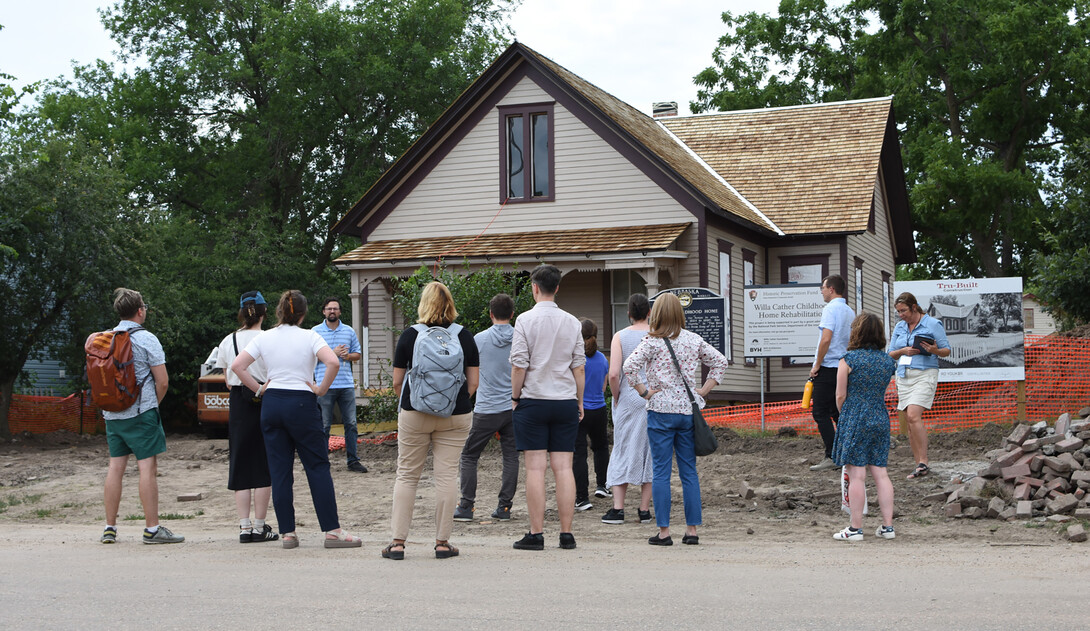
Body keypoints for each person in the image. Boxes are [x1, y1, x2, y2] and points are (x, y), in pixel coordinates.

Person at [231, 290, 361, 549]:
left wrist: (259, 389)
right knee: (316, 466)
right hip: (302, 402)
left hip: (272, 403)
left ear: (279, 312)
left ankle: (288, 533)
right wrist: (321, 389)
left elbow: (237, 366)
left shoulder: (265, 337)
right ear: (302, 314)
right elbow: (333, 362)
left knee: (280, 472)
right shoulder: (310, 336)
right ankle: (332, 531)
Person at [623, 292, 728, 546]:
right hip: (687, 413)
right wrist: (704, 389)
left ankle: (664, 532)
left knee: (660, 471)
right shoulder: (694, 340)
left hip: (660, 411)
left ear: (656, 314)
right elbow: (720, 362)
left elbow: (629, 366)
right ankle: (692, 531)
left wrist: (644, 391)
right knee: (688, 471)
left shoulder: (651, 341)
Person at [385, 281, 479, 560]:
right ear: (450, 304)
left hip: (415, 413)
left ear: (423, 304)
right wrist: (452, 401)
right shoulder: (465, 337)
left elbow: (397, 383)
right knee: (447, 475)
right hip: (456, 414)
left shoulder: (409, 336)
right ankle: (441, 543)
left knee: (407, 475)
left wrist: (416, 403)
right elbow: (473, 383)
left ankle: (398, 543)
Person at [99, 288, 184, 545]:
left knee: (115, 467)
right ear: (139, 311)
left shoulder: (106, 338)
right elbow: (163, 382)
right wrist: (151, 406)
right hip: (141, 412)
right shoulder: (147, 339)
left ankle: (109, 528)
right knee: (147, 467)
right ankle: (152, 529)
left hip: (113, 413)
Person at [510, 264, 585, 551]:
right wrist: (578, 401)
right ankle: (567, 534)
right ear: (557, 288)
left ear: (535, 287)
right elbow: (579, 367)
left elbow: (519, 365)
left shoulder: (525, 320)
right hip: (564, 400)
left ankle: (536, 533)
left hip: (533, 400)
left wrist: (516, 397)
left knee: (535, 468)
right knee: (564, 467)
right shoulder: (572, 322)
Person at [215, 291, 278, 543]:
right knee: (264, 463)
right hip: (266, 396)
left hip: (239, 401)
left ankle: (244, 526)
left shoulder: (228, 340)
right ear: (264, 312)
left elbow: (227, 379)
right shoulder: (270, 339)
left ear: (242, 313)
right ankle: (260, 526)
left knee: (240, 461)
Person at [831, 312, 898, 541]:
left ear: (856, 332)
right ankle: (888, 527)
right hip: (880, 415)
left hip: (855, 416)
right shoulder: (888, 361)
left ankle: (855, 529)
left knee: (857, 474)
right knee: (881, 472)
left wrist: (846, 415)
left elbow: (840, 395)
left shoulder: (848, 360)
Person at [453, 294, 518, 523]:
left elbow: (465, 369)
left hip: (487, 407)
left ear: (491, 314)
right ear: (512, 314)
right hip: (513, 406)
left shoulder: (478, 339)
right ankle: (505, 508)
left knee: (469, 455)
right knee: (511, 457)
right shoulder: (521, 338)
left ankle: (466, 506)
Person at [602, 294, 654, 525]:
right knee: (650, 451)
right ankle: (644, 510)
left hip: (628, 396)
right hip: (653, 397)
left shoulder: (620, 336)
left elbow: (614, 373)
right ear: (649, 312)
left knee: (622, 448)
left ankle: (618, 508)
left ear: (629, 313)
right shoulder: (657, 335)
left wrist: (616, 395)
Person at [888, 292, 951, 480]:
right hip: (903, 376)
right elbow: (891, 353)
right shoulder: (900, 327)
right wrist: (902, 350)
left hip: (925, 374)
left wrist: (934, 350)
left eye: (904, 311)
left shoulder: (932, 324)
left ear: (914, 307)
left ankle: (924, 461)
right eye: (898, 311)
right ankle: (919, 465)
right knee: (908, 419)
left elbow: (946, 350)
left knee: (914, 415)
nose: (901, 315)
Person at [313, 297, 367, 473]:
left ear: (340, 312)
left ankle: (353, 460)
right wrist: (332, 353)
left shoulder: (349, 331)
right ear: (324, 311)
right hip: (324, 384)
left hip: (345, 384)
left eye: (335, 309)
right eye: (329, 309)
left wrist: (347, 356)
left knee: (351, 423)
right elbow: (309, 357)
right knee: (324, 425)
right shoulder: (315, 332)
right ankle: (322, 461)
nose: (332, 312)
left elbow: (357, 354)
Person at [809, 274, 855, 472]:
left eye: (823, 288)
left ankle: (832, 454)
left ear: (831, 289)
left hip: (828, 366)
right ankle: (847, 452)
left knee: (820, 412)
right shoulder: (850, 311)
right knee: (838, 412)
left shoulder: (830, 309)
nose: (821, 291)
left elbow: (826, 339)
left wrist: (817, 364)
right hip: (845, 365)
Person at [574, 318, 610, 511]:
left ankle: (582, 498)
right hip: (599, 409)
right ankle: (602, 486)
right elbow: (604, 387)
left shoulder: (575, 359)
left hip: (579, 411)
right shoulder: (603, 359)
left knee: (579, 454)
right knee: (601, 448)